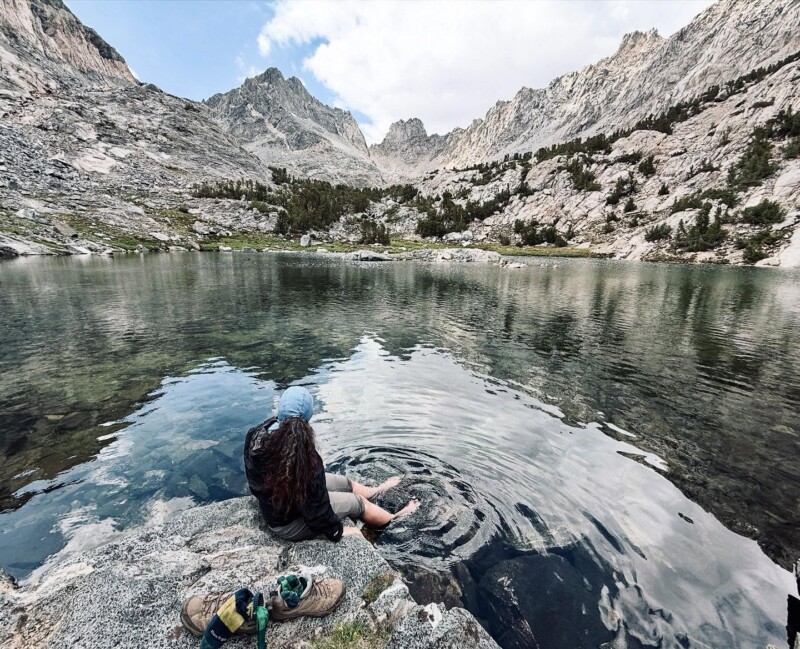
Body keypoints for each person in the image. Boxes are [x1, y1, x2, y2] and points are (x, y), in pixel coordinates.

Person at [244, 386, 419, 542]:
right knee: (358, 502)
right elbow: (316, 512)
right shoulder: (305, 460)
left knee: (344, 483)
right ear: (308, 418)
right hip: (288, 523)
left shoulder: (256, 435)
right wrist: (337, 531)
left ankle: (376, 490)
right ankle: (395, 518)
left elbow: (256, 484)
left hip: (282, 506)